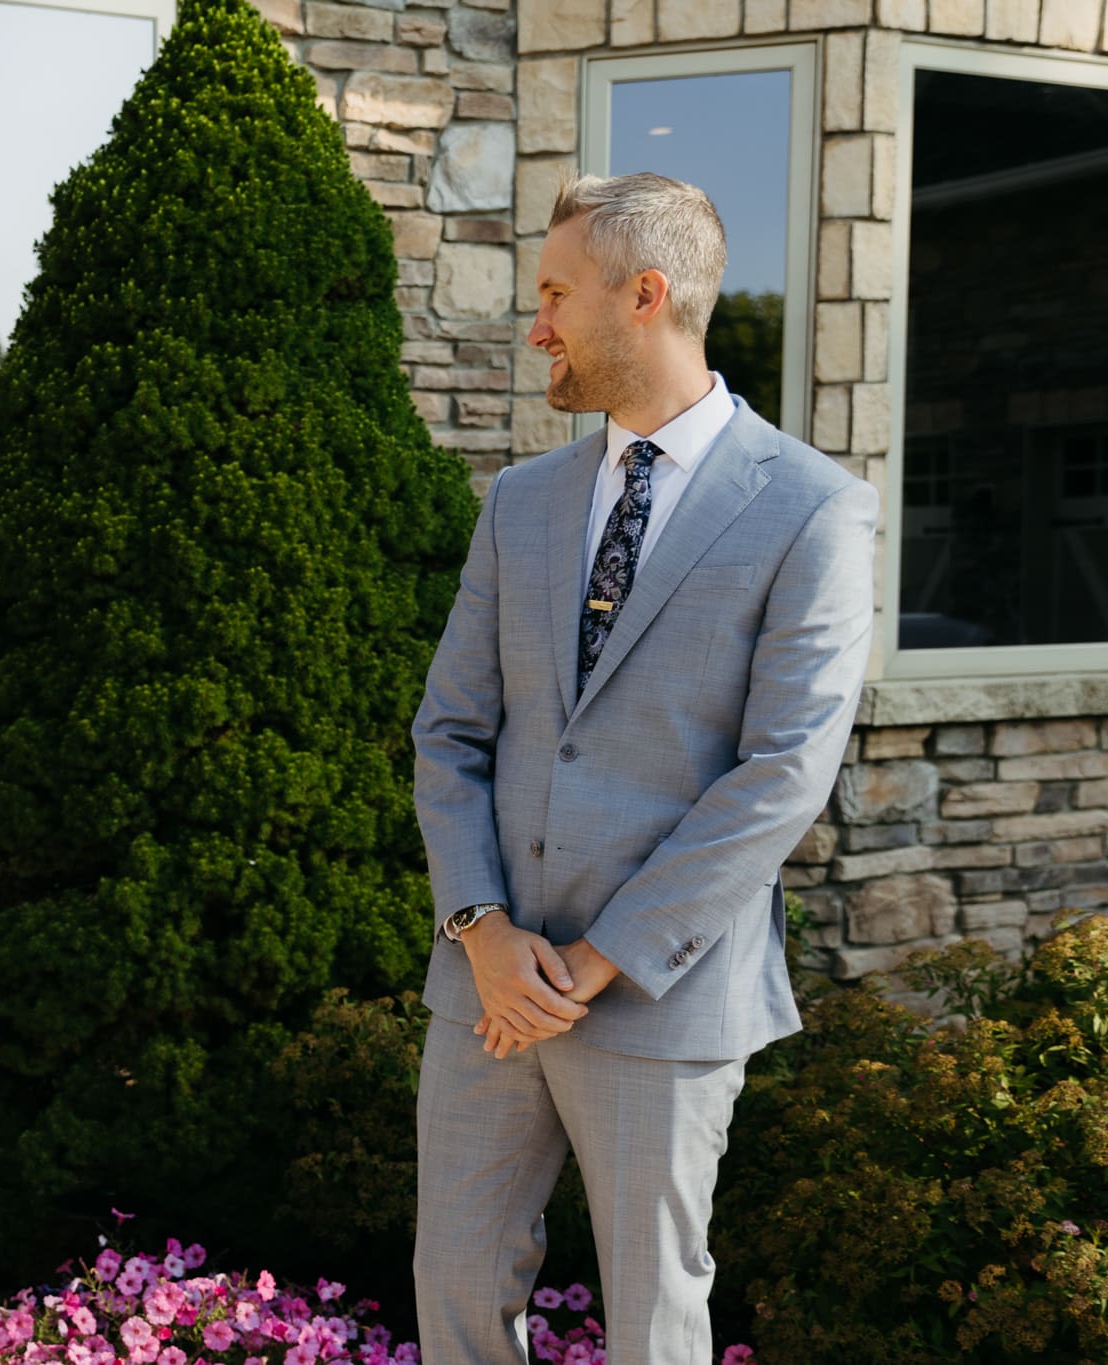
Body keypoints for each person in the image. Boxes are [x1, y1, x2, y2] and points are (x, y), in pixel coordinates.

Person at [409, 173, 878, 1363]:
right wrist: (481, 930)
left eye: (555, 293)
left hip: (658, 994)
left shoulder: (814, 511)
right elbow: (449, 733)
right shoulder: (518, 501)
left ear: (644, 297)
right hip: (485, 987)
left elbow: (779, 774)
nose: (536, 325)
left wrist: (594, 960)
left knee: (652, 1322)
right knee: (455, 1286)